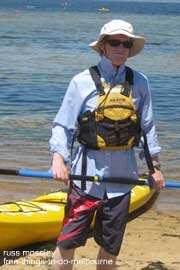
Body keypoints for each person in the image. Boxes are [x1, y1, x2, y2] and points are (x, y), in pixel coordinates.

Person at [49, 19, 164, 270]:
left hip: (123, 180)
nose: (121, 47)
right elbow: (63, 125)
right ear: (103, 46)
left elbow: (147, 128)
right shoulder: (81, 82)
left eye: (126, 43)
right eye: (115, 42)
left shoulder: (140, 82)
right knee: (68, 243)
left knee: (109, 248)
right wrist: (59, 159)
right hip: (84, 180)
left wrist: (154, 166)